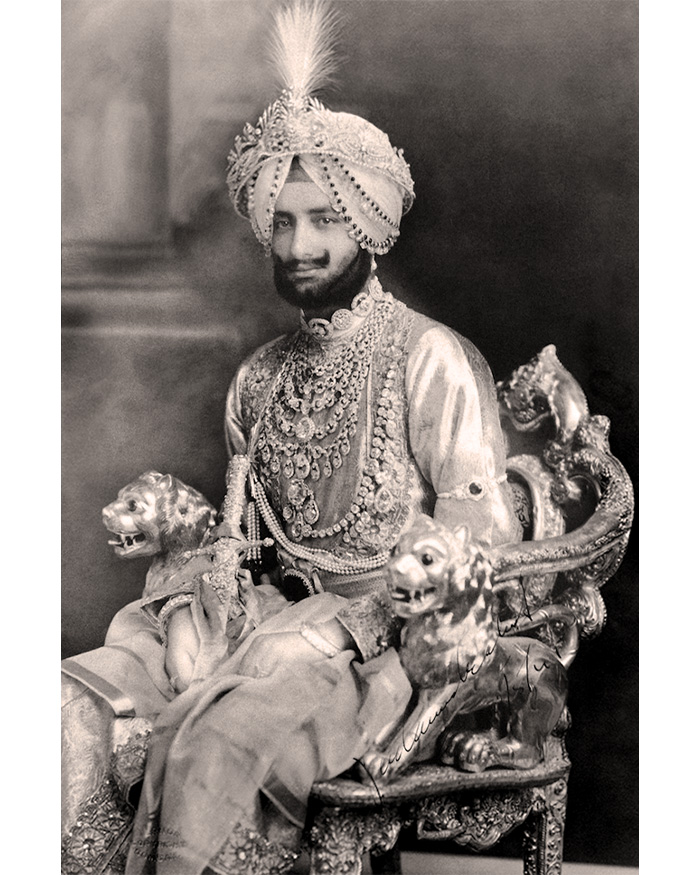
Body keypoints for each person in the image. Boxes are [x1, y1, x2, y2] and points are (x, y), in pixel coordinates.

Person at [61, 3, 521, 873]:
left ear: (369, 228)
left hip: (377, 654)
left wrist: (342, 628)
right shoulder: (257, 379)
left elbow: (481, 553)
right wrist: (199, 606)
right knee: (67, 708)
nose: (300, 244)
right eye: (282, 220)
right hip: (254, 623)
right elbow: (238, 540)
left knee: (217, 740)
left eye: (323, 219)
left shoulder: (432, 361)